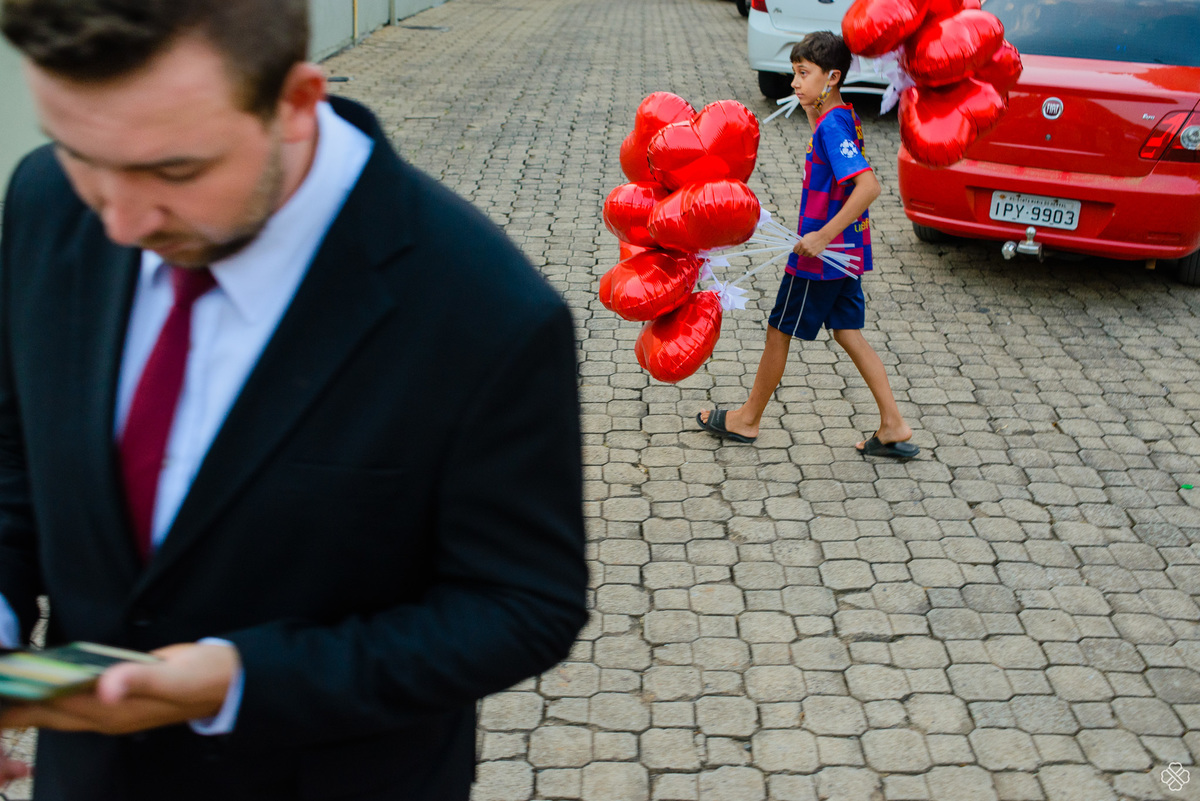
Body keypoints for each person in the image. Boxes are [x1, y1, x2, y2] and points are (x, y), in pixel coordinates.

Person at [0, 1, 588, 799]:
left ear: (297, 102)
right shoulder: (43, 203)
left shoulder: (486, 313)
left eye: (175, 169)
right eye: (78, 152)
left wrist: (241, 679)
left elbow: (523, 605)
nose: (123, 221)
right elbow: (16, 459)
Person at [697, 31, 918, 460]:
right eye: (794, 74)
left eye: (804, 74)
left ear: (832, 77)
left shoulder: (833, 127)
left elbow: (867, 186)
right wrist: (813, 113)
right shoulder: (838, 117)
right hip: (845, 256)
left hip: (822, 259)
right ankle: (893, 424)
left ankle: (747, 419)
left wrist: (821, 235)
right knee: (847, 331)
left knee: (779, 329)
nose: (795, 82)